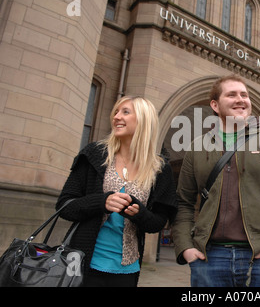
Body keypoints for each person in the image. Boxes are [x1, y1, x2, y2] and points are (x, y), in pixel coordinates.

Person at [171, 74, 260, 287]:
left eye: (244, 95)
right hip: (210, 260)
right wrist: (185, 247)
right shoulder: (197, 147)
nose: (241, 99)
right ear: (215, 105)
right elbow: (183, 202)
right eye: (231, 95)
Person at [56, 96, 177, 287]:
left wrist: (140, 213)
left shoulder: (160, 169)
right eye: (116, 112)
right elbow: (64, 206)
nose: (117, 117)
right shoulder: (94, 154)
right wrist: (101, 202)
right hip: (80, 263)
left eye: (125, 112)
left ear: (144, 120)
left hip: (127, 270)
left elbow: (158, 222)